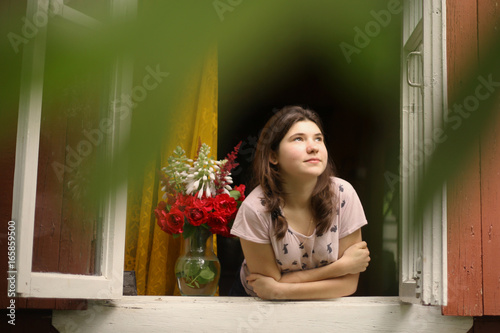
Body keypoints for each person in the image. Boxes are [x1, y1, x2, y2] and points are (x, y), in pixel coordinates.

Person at [229, 105, 370, 300]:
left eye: (318, 138)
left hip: (323, 304)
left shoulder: (343, 195)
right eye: (298, 139)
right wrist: (340, 267)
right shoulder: (255, 209)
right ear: (273, 156)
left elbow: (348, 284)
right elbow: (265, 290)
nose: (313, 147)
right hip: (254, 305)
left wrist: (279, 290)